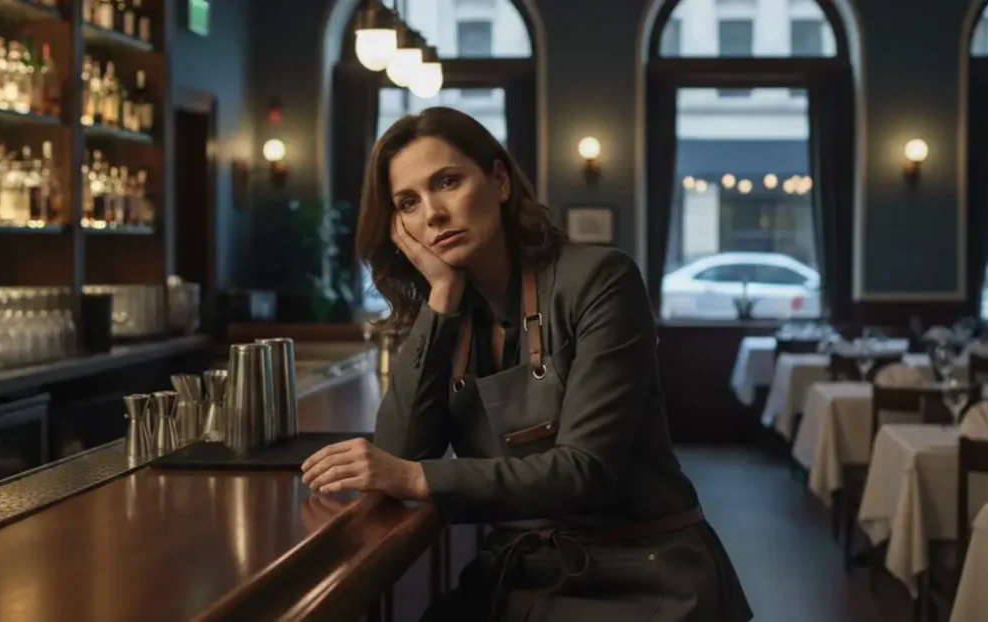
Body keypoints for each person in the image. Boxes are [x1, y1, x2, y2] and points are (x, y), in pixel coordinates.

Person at [301, 107, 752, 622]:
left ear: (499, 181)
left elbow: (584, 472)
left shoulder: (602, 280)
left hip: (644, 577)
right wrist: (442, 296)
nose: (433, 214)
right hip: (521, 576)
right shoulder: (450, 312)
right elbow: (399, 452)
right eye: (409, 202)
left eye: (447, 182)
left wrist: (419, 479)